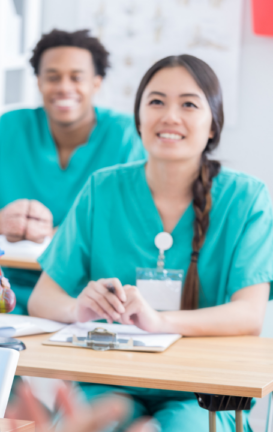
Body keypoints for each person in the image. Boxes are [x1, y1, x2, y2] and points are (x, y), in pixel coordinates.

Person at [28, 54, 273, 431]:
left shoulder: (246, 199)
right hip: (108, 380)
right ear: (139, 119)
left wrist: (160, 322)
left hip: (200, 391)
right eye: (156, 102)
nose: (170, 116)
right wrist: (79, 308)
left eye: (188, 104)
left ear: (213, 125)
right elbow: (42, 297)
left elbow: (249, 315)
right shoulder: (102, 189)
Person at [0, 29, 146, 314]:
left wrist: (55, 234)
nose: (64, 87)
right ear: (39, 82)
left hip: (91, 296)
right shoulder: (9, 128)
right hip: (9, 292)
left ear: (97, 82)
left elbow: (138, 223)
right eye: (53, 77)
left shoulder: (127, 136)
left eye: (76, 77)